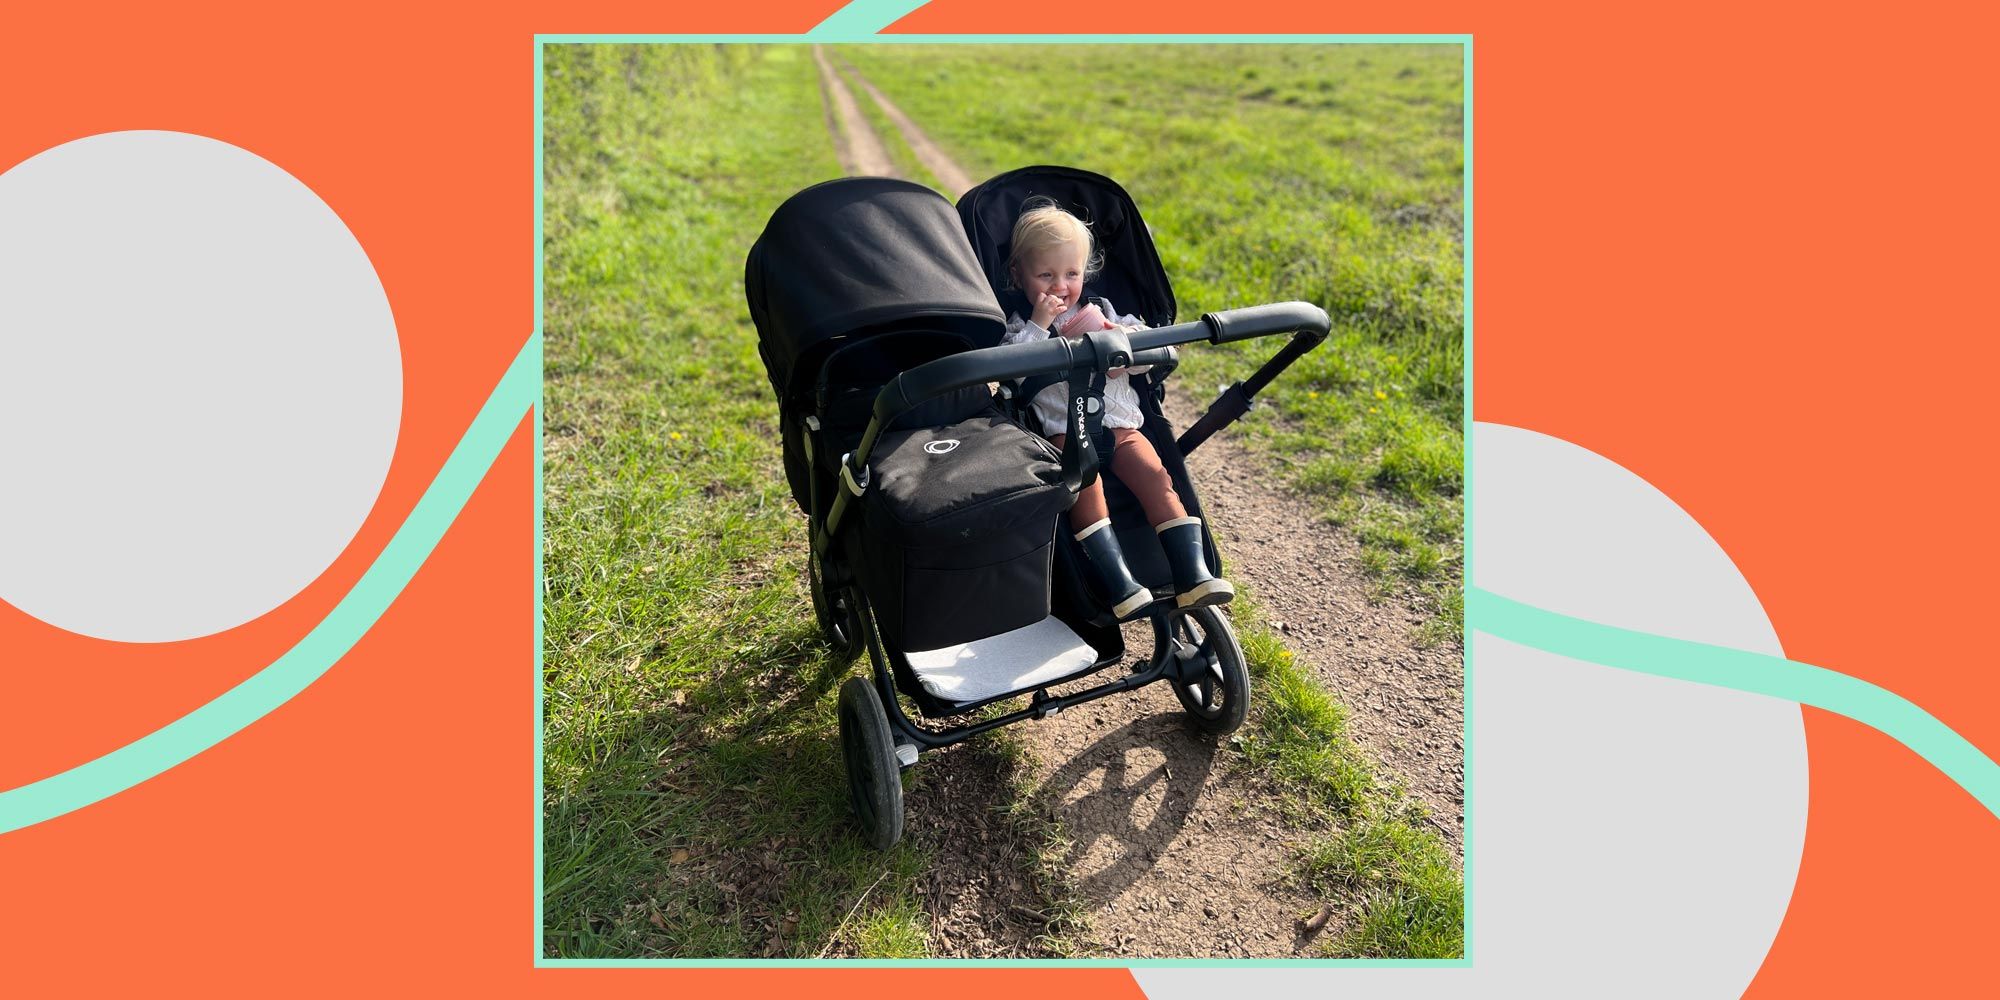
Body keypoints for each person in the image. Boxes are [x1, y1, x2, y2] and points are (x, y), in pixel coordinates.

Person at [999, 199, 1233, 616]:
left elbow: (1153, 350)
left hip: (1122, 427)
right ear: (1018, 275)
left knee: (1156, 475)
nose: (1060, 286)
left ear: (1085, 272)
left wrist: (1119, 337)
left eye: (1071, 273)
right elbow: (1011, 370)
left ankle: (1193, 572)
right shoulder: (1021, 324)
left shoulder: (1104, 311)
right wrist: (1039, 323)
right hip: (1067, 436)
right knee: (1087, 492)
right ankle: (1120, 584)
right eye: (1045, 275)